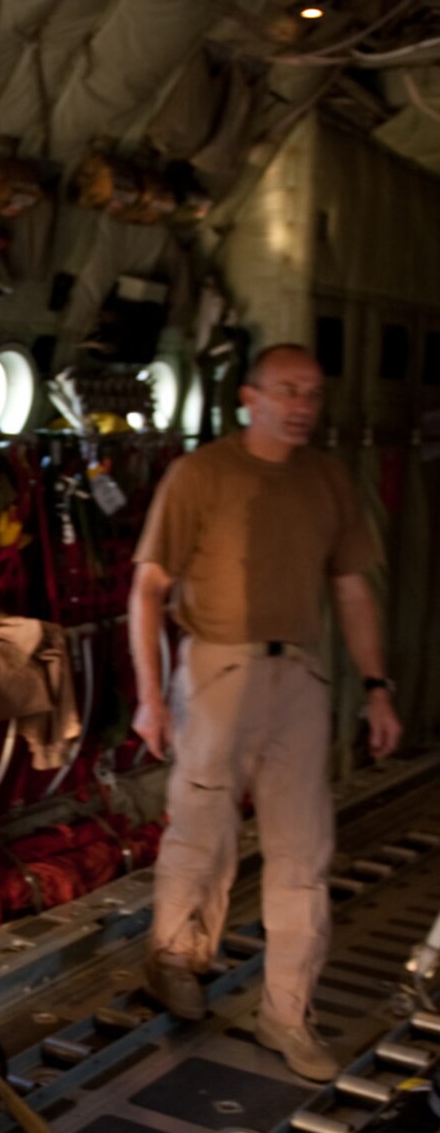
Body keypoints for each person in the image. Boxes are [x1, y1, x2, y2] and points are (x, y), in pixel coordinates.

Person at [129, 342, 402, 1081]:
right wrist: (151, 698)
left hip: (299, 677)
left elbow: (349, 590)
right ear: (248, 397)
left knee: (303, 850)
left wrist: (376, 685)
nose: (301, 405)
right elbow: (148, 588)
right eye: (285, 390)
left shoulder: (327, 479)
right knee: (203, 828)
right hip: (218, 667)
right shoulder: (202, 474)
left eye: (311, 393)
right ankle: (176, 961)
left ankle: (286, 1014)